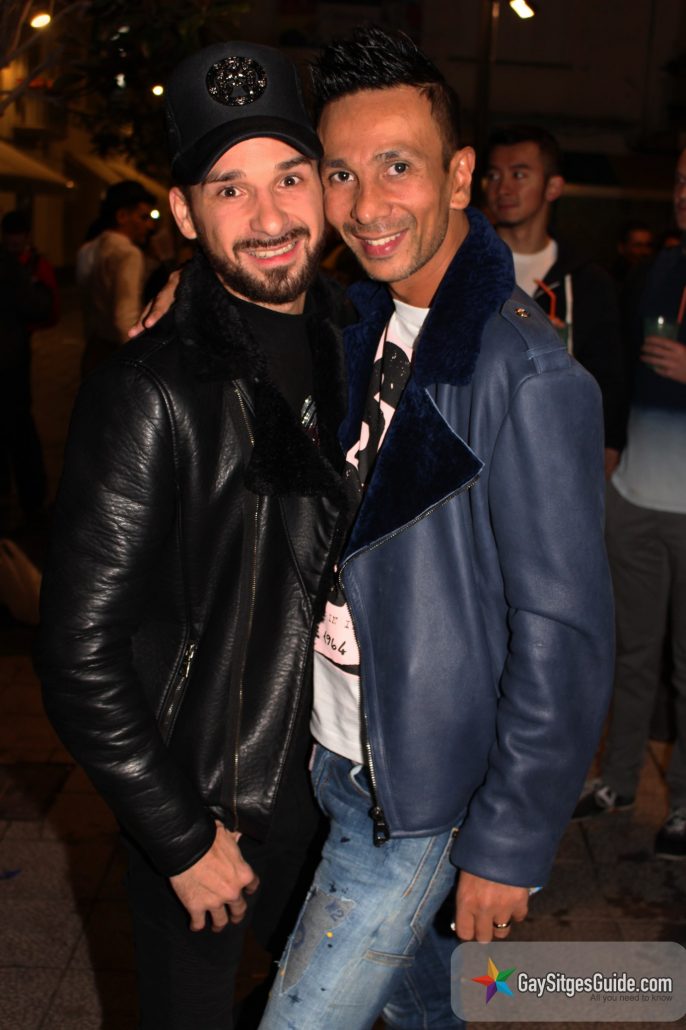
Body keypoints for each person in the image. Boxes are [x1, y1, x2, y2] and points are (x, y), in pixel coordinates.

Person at [257, 27, 614, 1029]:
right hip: (336, 753)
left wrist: (509, 841)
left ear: (459, 176)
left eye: (397, 166)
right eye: (341, 173)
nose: (366, 205)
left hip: (421, 796)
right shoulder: (359, 322)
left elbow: (564, 633)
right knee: (427, 1011)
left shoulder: (525, 374)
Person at [37, 41, 351, 1029]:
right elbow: (77, 651)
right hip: (211, 804)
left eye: (288, 177)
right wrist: (177, 833)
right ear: (182, 213)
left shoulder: (366, 340)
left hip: (339, 794)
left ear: (325, 185)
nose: (268, 217)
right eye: (229, 189)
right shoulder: (149, 391)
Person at [572, 148, 686, 859]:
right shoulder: (658, 268)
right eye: (680, 181)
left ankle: (685, 808)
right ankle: (616, 783)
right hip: (637, 499)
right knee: (630, 656)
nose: (684, 194)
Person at [484, 126, 626, 479]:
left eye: (519, 175)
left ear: (553, 187)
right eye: (494, 175)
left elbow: (608, 373)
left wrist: (610, 443)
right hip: (478, 445)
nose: (503, 188)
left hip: (556, 453)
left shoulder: (587, 280)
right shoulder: (466, 269)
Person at [0, 213, 55, 528]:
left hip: (11, 354)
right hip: (10, 359)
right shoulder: (15, 267)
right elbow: (39, 307)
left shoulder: (26, 262)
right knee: (20, 429)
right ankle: (31, 502)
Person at [77, 179, 155, 375]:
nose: (149, 225)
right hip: (115, 352)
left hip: (92, 347)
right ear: (122, 216)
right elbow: (125, 318)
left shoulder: (87, 248)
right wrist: (138, 363)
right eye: (143, 217)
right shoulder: (128, 253)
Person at [612, 218, 655, 285]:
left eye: (648, 245)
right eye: (638, 245)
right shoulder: (611, 280)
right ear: (622, 248)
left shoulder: (654, 275)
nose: (645, 251)